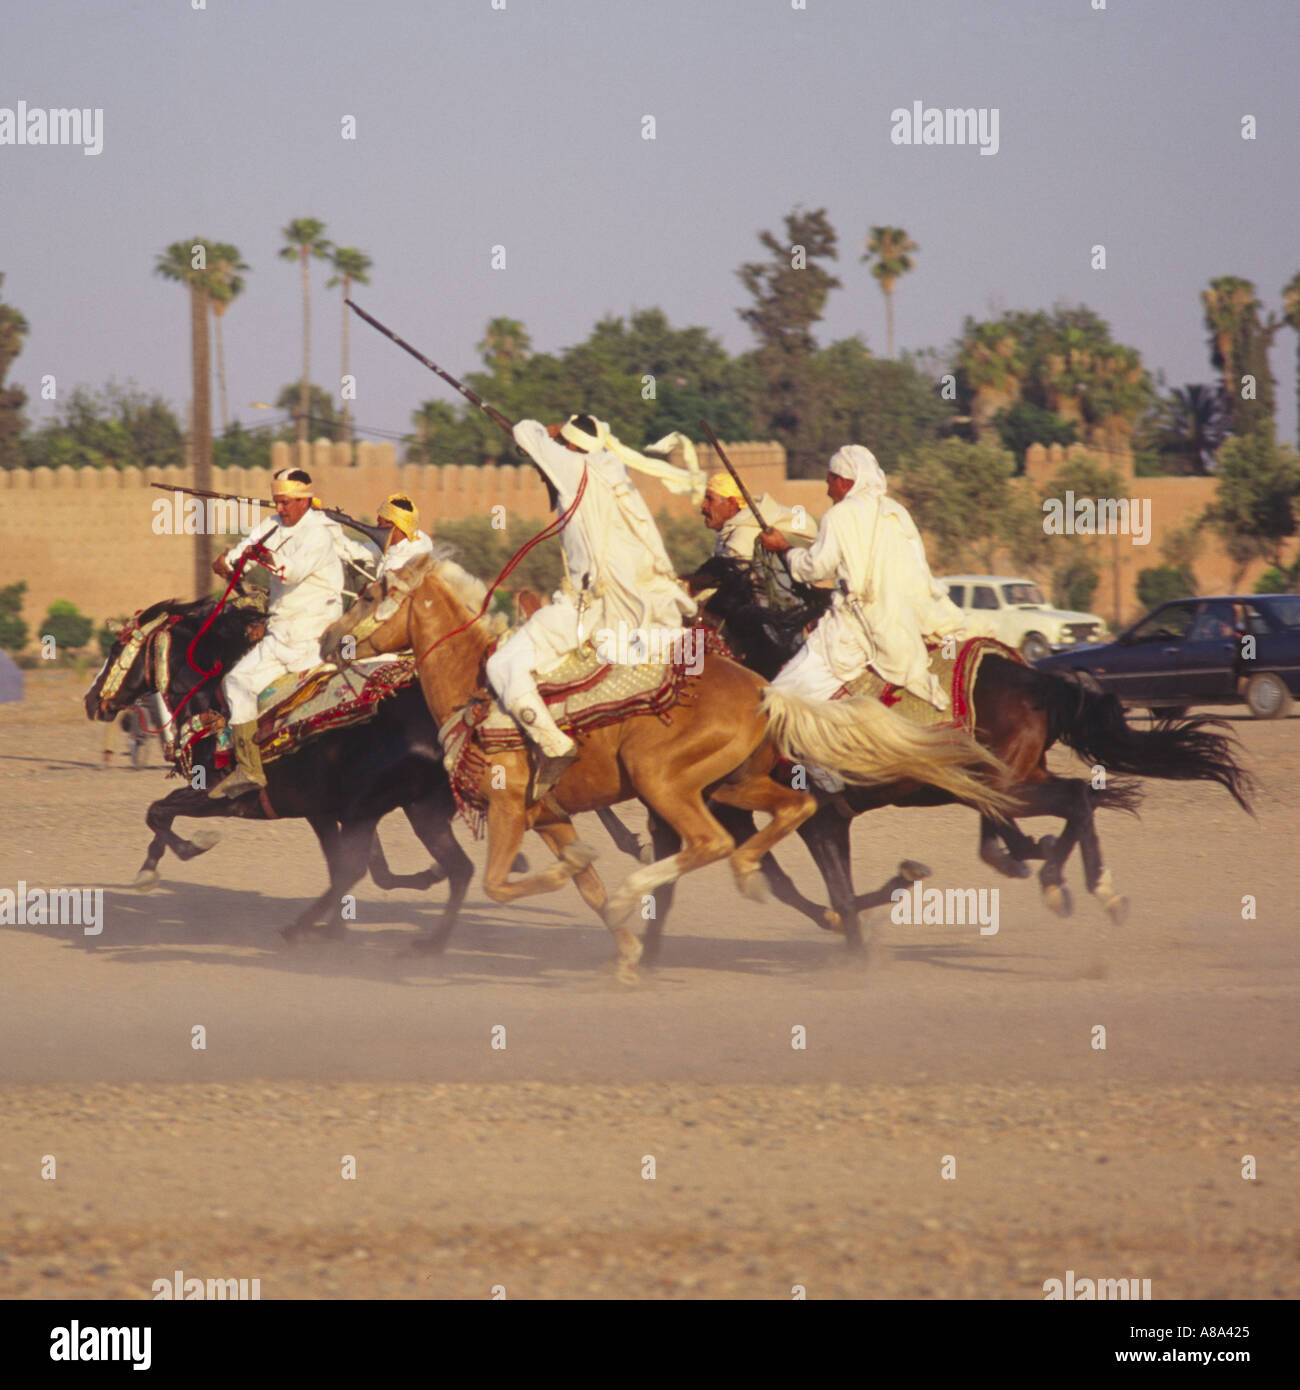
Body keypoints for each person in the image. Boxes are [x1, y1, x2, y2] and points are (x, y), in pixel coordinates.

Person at [487, 413, 696, 793]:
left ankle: (552, 745)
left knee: (501, 662)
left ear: (569, 445)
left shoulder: (574, 466)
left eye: (561, 443)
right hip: (628, 603)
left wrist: (545, 433)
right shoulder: (611, 474)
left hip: (589, 609)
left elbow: (524, 431)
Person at [760, 444, 964, 712]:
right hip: (910, 620)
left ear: (844, 482)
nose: (827, 490)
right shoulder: (896, 511)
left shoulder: (839, 515)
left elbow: (814, 568)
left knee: (778, 696)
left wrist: (784, 548)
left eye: (829, 482)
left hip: (857, 627)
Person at [209, 467, 358, 798]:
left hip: (314, 639)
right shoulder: (271, 526)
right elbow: (242, 553)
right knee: (236, 683)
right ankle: (249, 771)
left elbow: (290, 572)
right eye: (277, 502)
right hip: (279, 636)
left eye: (286, 502)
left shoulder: (319, 534)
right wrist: (229, 562)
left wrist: (260, 555)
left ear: (304, 501)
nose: (280, 509)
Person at [700, 472, 818, 560]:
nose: (703, 505)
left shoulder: (745, 532)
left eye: (710, 499)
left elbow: (729, 573)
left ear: (731, 503)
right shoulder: (729, 531)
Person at [374, 492, 434, 578]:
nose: (377, 528)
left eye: (380, 524)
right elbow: (361, 550)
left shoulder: (411, 558)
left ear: (393, 525)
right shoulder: (389, 547)